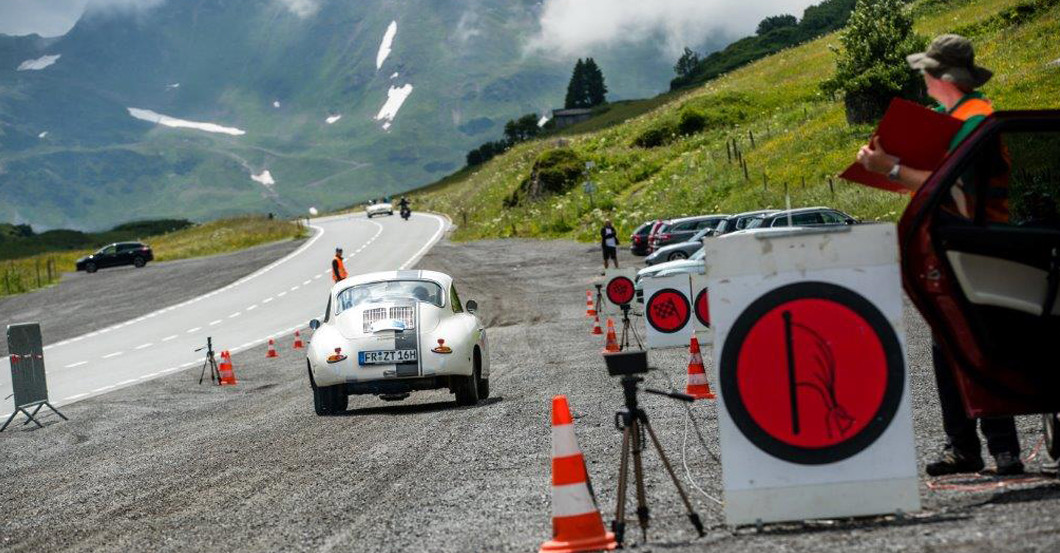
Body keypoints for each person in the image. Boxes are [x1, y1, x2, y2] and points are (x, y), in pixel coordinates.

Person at [856, 34, 1022, 476]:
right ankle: (968, 446)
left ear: (944, 77)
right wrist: (886, 159)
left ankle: (1000, 448)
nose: (923, 80)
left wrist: (886, 167)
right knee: (949, 344)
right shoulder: (955, 117)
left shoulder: (974, 121)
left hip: (973, 244)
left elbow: (948, 185)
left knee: (971, 343)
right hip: (956, 243)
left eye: (927, 72)